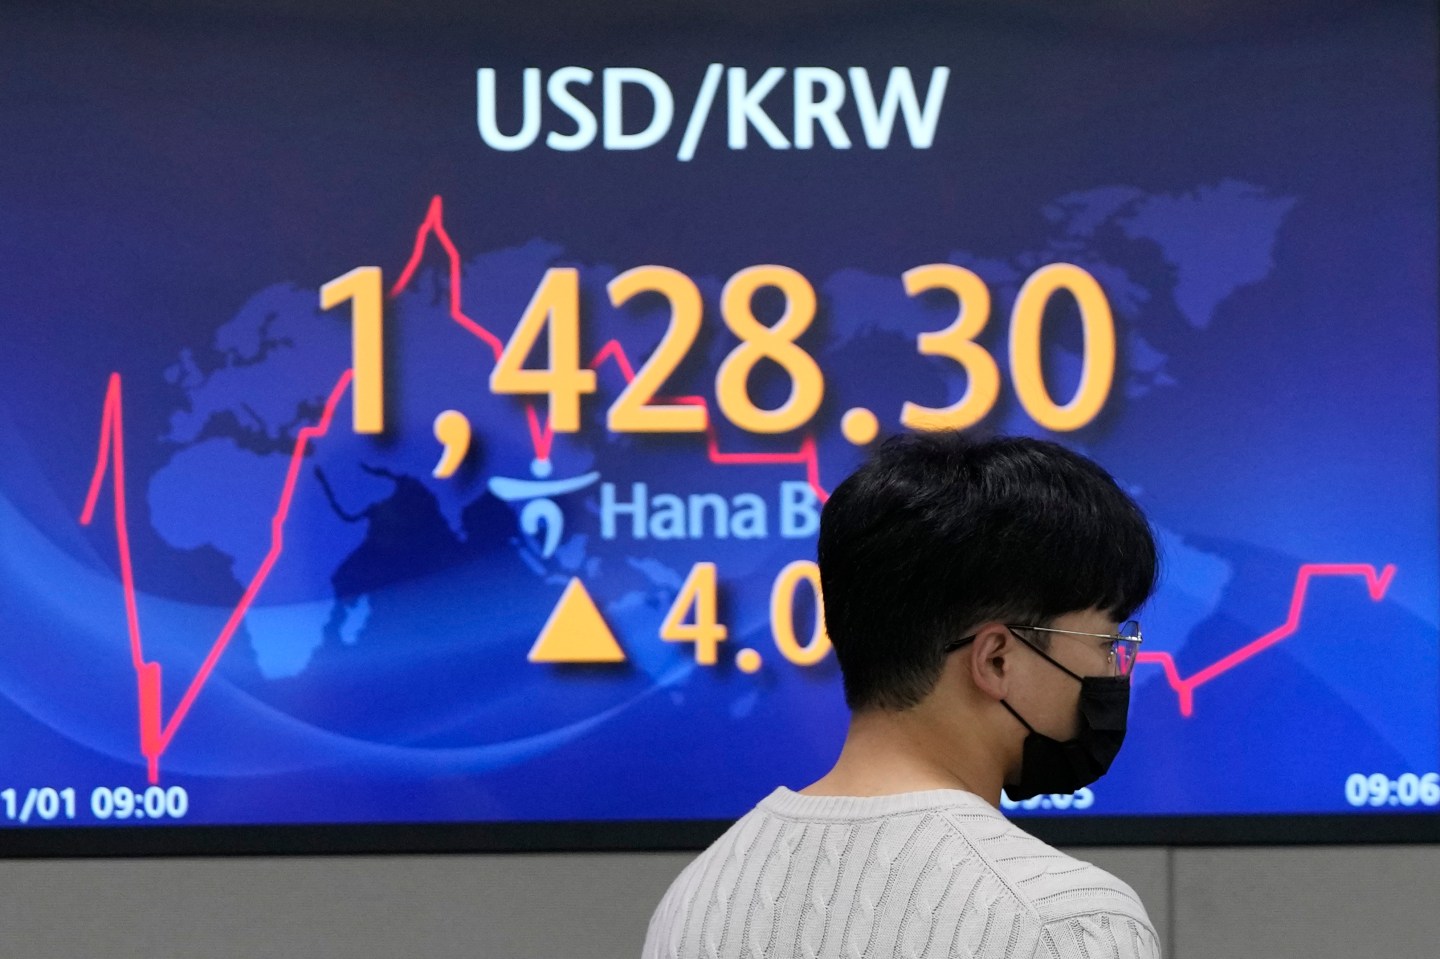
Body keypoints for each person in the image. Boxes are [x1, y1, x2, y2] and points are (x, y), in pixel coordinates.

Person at [642, 431, 1162, 958]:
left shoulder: (695, 900)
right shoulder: (1072, 923)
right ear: (996, 659)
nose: (1114, 666)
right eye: (1107, 642)